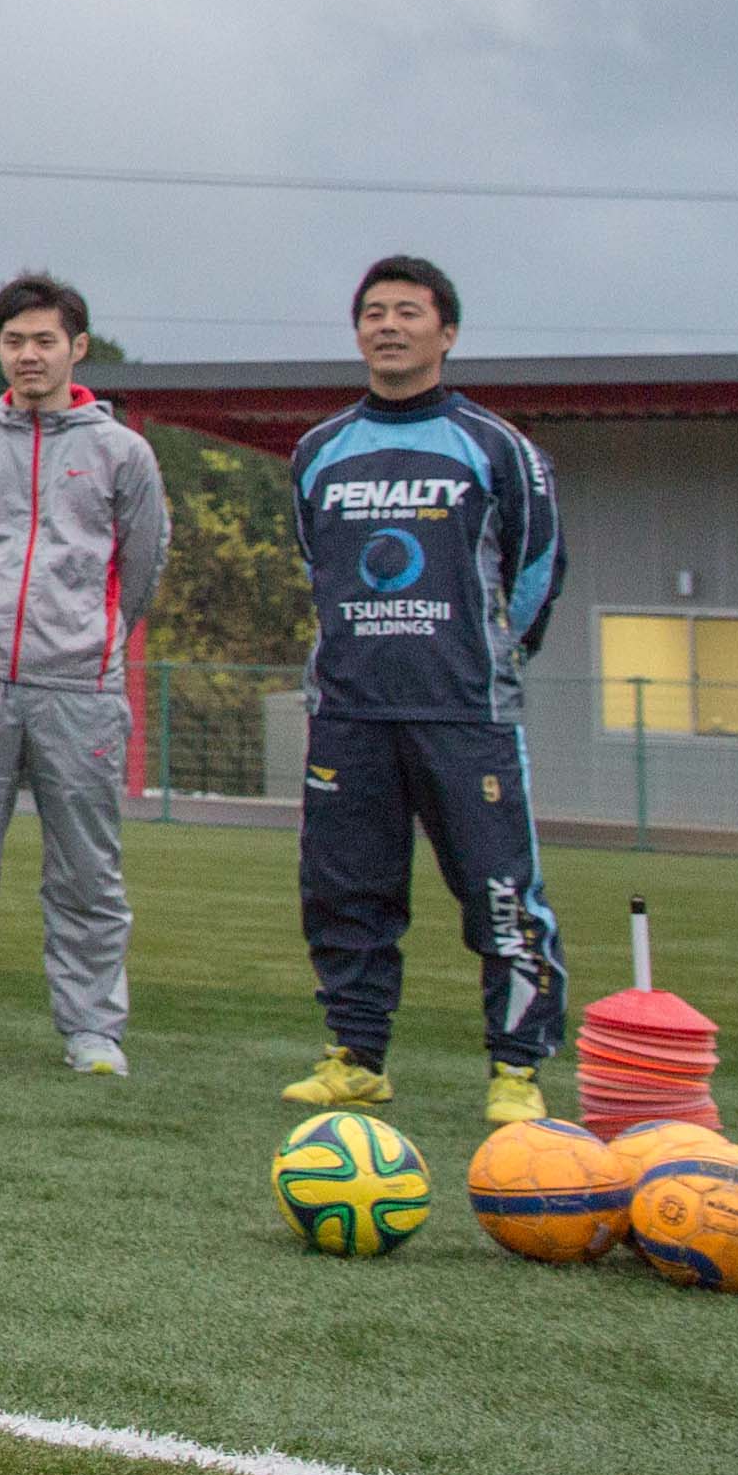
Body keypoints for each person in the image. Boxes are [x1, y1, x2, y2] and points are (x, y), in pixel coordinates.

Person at [281, 253, 565, 1126]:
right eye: (373, 311)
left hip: (463, 712)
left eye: (408, 310)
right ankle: (357, 1057)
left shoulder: (497, 448)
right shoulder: (318, 452)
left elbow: (536, 568)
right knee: (346, 891)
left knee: (500, 890)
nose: (388, 324)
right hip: (349, 713)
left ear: (447, 332)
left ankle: (516, 1067)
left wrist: (486, 657)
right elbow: (314, 565)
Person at [0, 270, 164, 1078]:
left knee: (87, 866)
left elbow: (142, 564)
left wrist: (88, 641)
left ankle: (92, 1030)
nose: (29, 354)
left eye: (44, 339)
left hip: (80, 687)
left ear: (76, 348)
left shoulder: (124, 452)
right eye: (14, 340)